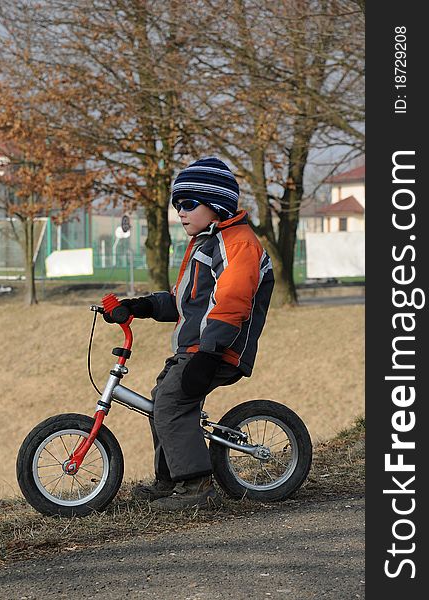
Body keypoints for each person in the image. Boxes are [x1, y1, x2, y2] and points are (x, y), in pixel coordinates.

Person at [103, 156, 274, 511]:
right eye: (177, 205)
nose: (180, 212)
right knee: (161, 400)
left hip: (218, 349)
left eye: (189, 204)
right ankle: (170, 481)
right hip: (196, 347)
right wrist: (141, 306)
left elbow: (231, 303)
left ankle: (196, 487)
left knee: (172, 401)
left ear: (216, 206)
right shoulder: (206, 242)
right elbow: (185, 302)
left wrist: (208, 355)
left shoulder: (237, 244)